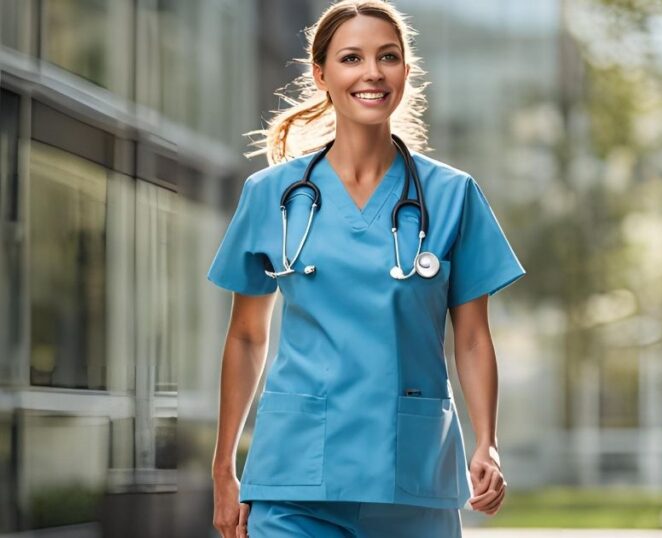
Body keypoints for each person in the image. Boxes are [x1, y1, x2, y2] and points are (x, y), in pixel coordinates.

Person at [208, 2, 526, 536]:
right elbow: (245, 337)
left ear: (406, 70)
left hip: (410, 478)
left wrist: (487, 441)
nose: (372, 72)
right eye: (351, 58)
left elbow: (471, 339)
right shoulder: (271, 195)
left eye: (388, 57)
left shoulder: (452, 196)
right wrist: (223, 469)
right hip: (295, 481)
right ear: (321, 75)